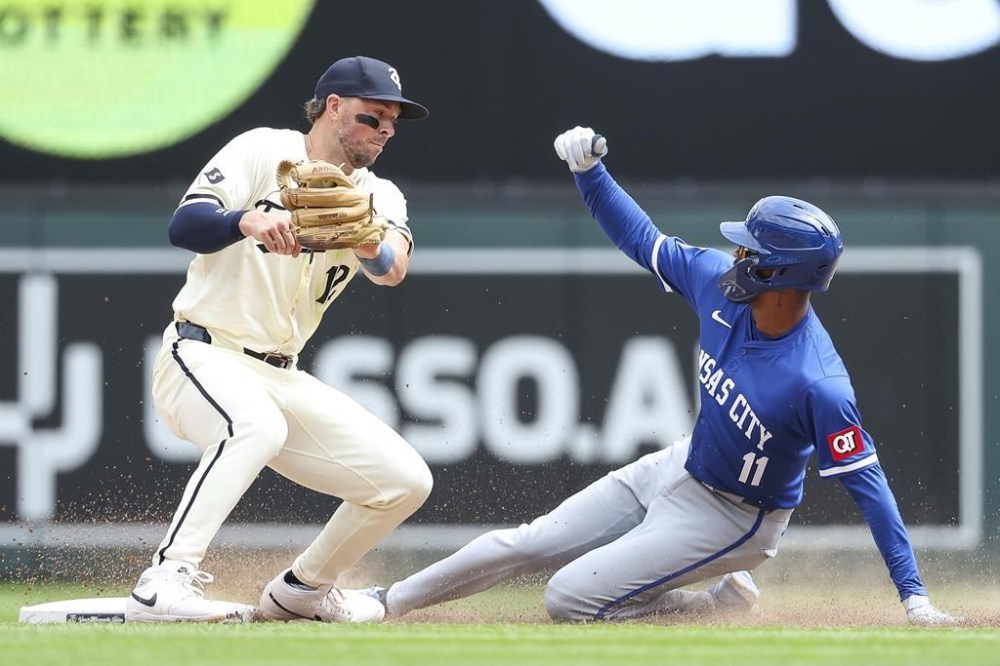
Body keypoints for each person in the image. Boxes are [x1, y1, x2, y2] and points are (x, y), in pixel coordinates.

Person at [362, 126, 960, 627]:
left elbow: (870, 488)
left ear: (783, 274)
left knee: (568, 598)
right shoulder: (716, 280)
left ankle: (706, 607)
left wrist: (915, 598)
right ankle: (384, 604)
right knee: (530, 541)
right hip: (680, 463)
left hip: (736, 517)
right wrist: (590, 172)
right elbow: (641, 239)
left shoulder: (818, 382)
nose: (738, 257)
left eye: (751, 253)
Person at [124, 56, 434, 624]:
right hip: (201, 351)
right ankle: (164, 581)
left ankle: (303, 589)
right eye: (373, 116)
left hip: (280, 373)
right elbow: (184, 226)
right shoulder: (264, 150)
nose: (385, 129)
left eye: (392, 121)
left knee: (405, 481)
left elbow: (392, 268)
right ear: (333, 107)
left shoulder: (379, 195)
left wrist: (366, 239)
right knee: (254, 426)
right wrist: (245, 219)